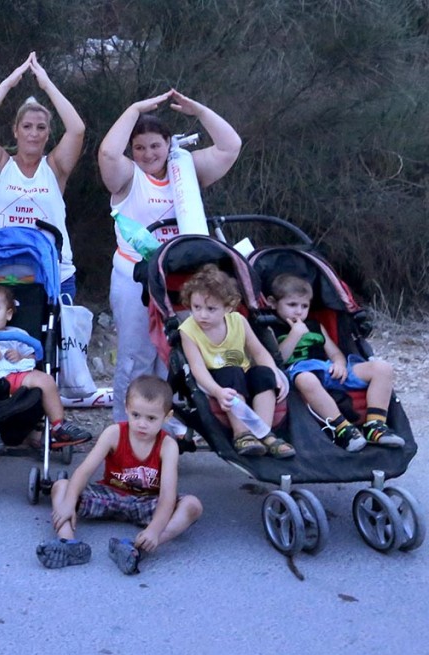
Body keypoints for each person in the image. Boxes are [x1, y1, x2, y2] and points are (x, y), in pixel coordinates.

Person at [98, 89, 242, 422]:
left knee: (173, 351)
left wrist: (200, 111)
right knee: (136, 354)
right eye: (140, 147)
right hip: (135, 274)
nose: (148, 154)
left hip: (181, 276)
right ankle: (125, 422)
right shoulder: (127, 177)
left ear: (168, 144)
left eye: (155, 145)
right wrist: (133, 109)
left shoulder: (186, 171)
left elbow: (230, 146)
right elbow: (107, 153)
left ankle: (163, 419)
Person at [36, 376, 202, 574]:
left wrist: (154, 530)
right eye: (136, 415)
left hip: (147, 502)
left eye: (151, 418)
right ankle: (68, 542)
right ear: (126, 408)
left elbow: (167, 495)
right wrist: (69, 504)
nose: (142, 424)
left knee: (192, 505)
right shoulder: (114, 433)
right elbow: (84, 471)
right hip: (109, 496)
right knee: (61, 486)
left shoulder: (168, 446)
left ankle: (136, 549)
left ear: (167, 417)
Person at [0, 52, 85, 297]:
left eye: (41, 127)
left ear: (48, 133)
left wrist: (47, 84)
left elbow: (76, 129)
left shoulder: (54, 168)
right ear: (16, 131)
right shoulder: (1, 165)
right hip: (2, 271)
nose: (33, 133)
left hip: (53, 274)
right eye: (27, 126)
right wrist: (8, 83)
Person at [268, 274, 405, 450]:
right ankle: (342, 429)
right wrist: (295, 334)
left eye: (304, 306)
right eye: (292, 305)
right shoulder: (272, 328)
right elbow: (279, 360)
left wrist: (339, 364)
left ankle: (375, 426)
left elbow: (334, 353)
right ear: (273, 303)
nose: (299, 311)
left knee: (382, 368)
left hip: (328, 369)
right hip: (299, 372)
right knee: (306, 379)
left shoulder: (315, 325)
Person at [0, 282, 92, 455]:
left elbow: (33, 356)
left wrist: (20, 356)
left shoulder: (18, 334)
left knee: (45, 380)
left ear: (8, 314)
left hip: (15, 373)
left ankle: (58, 425)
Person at [178, 265, 295, 458]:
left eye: (211, 309)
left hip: (242, 374)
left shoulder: (238, 321)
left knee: (264, 373)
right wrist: (217, 391)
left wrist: (274, 372)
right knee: (231, 372)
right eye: (196, 307)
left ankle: (263, 432)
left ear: (228, 307)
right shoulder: (188, 330)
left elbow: (259, 352)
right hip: (214, 380)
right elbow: (197, 368)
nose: (202, 315)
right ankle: (242, 433)